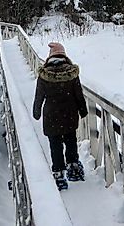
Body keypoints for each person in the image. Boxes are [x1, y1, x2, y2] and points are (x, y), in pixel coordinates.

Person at [33, 42, 88, 189]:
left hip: (51, 115)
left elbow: (39, 96)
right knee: (70, 140)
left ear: (50, 57)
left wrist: (36, 111)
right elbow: (78, 94)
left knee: (55, 144)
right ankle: (73, 168)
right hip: (69, 114)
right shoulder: (71, 74)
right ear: (64, 55)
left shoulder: (45, 75)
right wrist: (83, 110)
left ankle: (58, 174)